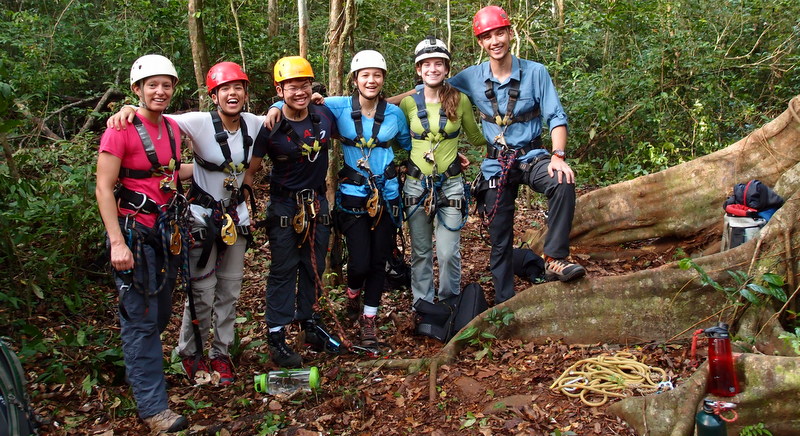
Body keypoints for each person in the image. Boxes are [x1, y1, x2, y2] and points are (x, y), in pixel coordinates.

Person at [107, 62, 265, 386]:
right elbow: (154, 117)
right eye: (225, 89)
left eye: (238, 88)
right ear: (214, 95)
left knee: (230, 291)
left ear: (246, 93)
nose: (232, 94)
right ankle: (189, 352)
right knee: (202, 291)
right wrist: (127, 108)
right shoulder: (197, 122)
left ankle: (221, 354)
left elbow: (288, 115)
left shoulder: (255, 124)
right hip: (202, 221)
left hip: (237, 218)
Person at [449, 5, 586, 303]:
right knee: (499, 237)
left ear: (510, 34)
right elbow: (429, 90)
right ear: (481, 43)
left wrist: (558, 156)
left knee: (562, 182)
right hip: (494, 165)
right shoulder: (471, 77)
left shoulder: (536, 73)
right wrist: (379, 99)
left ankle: (555, 258)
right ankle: (504, 302)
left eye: (500, 33)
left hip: (530, 157)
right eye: (487, 36)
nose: (495, 41)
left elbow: (556, 118)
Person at [96, 54, 190, 433]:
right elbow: (104, 187)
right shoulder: (119, 130)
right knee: (142, 319)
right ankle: (154, 409)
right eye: (152, 85)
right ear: (137, 90)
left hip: (166, 230)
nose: (160, 91)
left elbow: (169, 172)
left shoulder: (172, 128)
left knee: (161, 311)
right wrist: (116, 242)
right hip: (133, 232)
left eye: (166, 85)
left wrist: (218, 167)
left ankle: (136, 372)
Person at [243, 56, 341, 367]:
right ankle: (276, 334)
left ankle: (309, 322)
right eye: (291, 86)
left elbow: (363, 106)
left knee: (313, 268)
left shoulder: (323, 115)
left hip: (317, 203)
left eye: (304, 85)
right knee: (283, 270)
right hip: (285, 205)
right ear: (279, 89)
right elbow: (252, 171)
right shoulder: (269, 126)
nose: (299, 91)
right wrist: (242, 206)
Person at [399, 37, 486, 305]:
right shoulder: (408, 104)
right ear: (418, 69)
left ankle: (450, 303)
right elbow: (401, 138)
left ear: (447, 69)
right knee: (421, 251)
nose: (432, 69)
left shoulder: (459, 100)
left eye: (438, 64)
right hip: (416, 184)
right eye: (426, 64)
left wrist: (509, 133)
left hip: (450, 184)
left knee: (448, 252)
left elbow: (476, 137)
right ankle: (422, 304)